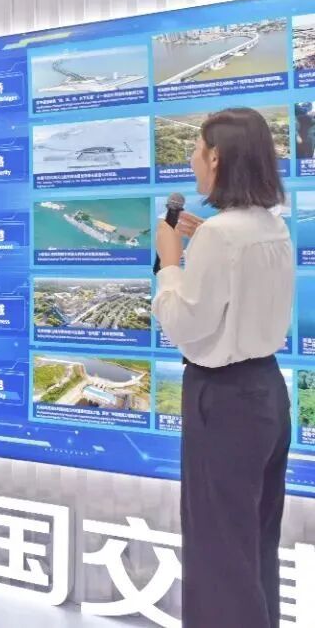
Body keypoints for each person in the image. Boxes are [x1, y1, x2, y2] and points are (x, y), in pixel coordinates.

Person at [151, 107, 293, 628]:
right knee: (252, 545)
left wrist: (170, 263)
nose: (191, 160)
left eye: (196, 150)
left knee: (217, 556)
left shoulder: (219, 236)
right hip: (266, 392)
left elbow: (185, 324)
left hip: (223, 400)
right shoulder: (271, 225)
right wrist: (204, 241)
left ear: (216, 158)